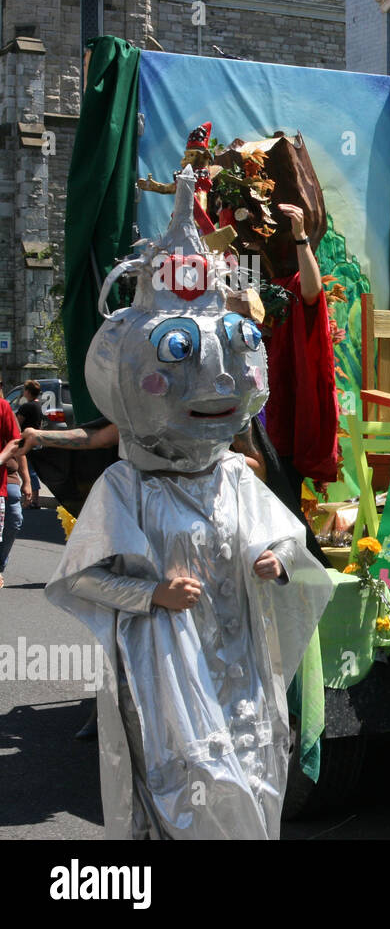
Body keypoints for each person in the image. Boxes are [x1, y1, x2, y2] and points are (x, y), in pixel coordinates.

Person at [44, 169, 330, 838]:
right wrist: (151, 597)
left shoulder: (233, 476)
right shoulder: (126, 489)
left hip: (246, 686)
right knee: (185, 799)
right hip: (166, 688)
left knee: (256, 780)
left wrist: (275, 562)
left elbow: (291, 550)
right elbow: (79, 579)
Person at [261, 201, 339, 509]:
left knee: (283, 498)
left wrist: (301, 238)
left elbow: (311, 291)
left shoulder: (289, 285)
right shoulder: (244, 282)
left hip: (281, 414)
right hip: (244, 411)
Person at [0, 379, 31, 588]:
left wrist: (27, 480)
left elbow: (18, 445)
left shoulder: (4, 408)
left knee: (14, 519)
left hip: (7, 476)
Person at [15, 380, 43, 505]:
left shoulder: (26, 406)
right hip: (36, 440)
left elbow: (17, 425)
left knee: (27, 470)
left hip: (26, 442)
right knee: (33, 471)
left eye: (25, 390)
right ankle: (35, 498)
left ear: (27, 391)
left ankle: (31, 500)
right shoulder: (38, 405)